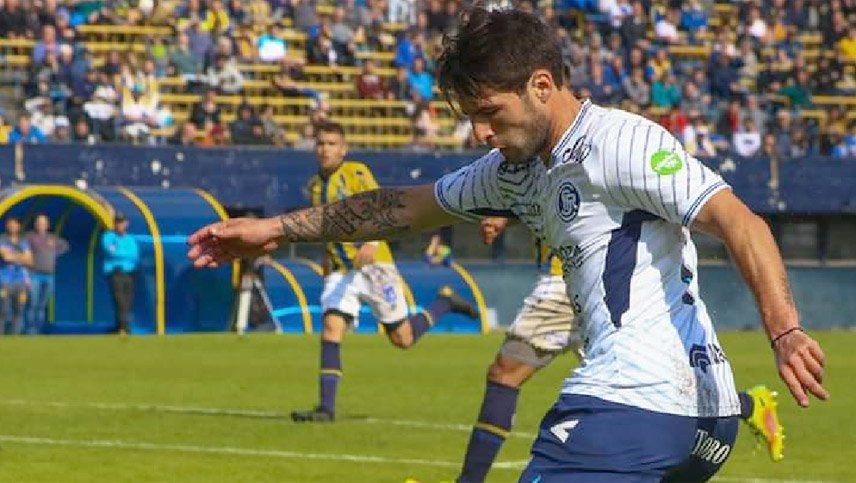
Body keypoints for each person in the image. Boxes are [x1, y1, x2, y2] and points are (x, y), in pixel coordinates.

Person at [188, 8, 828, 481]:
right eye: (470, 117)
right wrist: (272, 230)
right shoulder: (511, 173)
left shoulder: (620, 143)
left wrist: (785, 331)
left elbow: (741, 221)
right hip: (698, 423)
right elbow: (401, 208)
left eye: (490, 112)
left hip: (635, 401)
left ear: (542, 86)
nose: (479, 133)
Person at [455, 217, 786, 483]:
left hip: (578, 281)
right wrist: (506, 213)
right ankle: (746, 404)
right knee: (644, 385)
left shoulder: (599, 160)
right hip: (591, 280)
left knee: (506, 373)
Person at [289, 121, 479, 423]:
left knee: (403, 338)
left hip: (375, 266)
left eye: (331, 144)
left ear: (343, 149)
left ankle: (445, 302)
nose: (325, 149)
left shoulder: (356, 173)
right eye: (321, 143)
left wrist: (373, 241)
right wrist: (326, 262)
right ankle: (325, 408)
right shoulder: (314, 185)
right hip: (341, 270)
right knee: (331, 328)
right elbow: (324, 229)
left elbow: (381, 207)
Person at [25, 214, 69, 334]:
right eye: (39, 223)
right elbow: (22, 249)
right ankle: (30, 330)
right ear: (35, 224)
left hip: (49, 275)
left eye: (43, 223)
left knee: (42, 305)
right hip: (34, 274)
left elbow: (65, 245)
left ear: (47, 225)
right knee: (33, 303)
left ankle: (38, 330)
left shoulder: (52, 238)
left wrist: (54, 252)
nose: (41, 225)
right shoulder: (30, 237)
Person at [102, 214, 139, 335]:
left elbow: (134, 255)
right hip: (116, 272)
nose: (120, 225)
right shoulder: (108, 237)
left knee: (128, 300)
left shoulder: (130, 239)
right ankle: (123, 327)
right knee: (120, 300)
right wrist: (124, 254)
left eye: (122, 222)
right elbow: (111, 252)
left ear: (126, 223)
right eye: (118, 222)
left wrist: (120, 253)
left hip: (129, 273)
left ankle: (122, 326)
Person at [0, 217, 32, 335]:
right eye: (10, 225)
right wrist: (22, 256)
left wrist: (13, 255)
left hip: (21, 282)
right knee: (3, 309)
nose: (13, 227)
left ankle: (15, 336)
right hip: (5, 280)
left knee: (19, 309)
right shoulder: (2, 239)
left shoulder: (23, 241)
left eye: (15, 225)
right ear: (7, 226)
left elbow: (30, 261)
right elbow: (6, 257)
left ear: (18, 227)